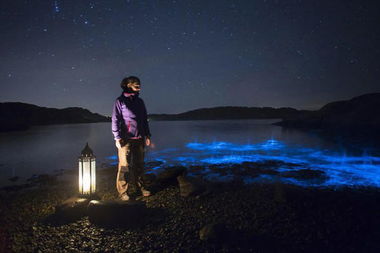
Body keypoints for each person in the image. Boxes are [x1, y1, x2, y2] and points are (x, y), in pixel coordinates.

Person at [111, 76, 152, 201]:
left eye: (139, 84)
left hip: (139, 138)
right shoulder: (120, 101)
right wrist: (117, 138)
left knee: (139, 165)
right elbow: (115, 119)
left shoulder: (140, 102)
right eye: (136, 84)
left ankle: (141, 187)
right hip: (125, 139)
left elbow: (144, 119)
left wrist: (147, 135)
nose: (139, 86)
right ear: (128, 85)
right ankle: (123, 192)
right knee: (125, 166)